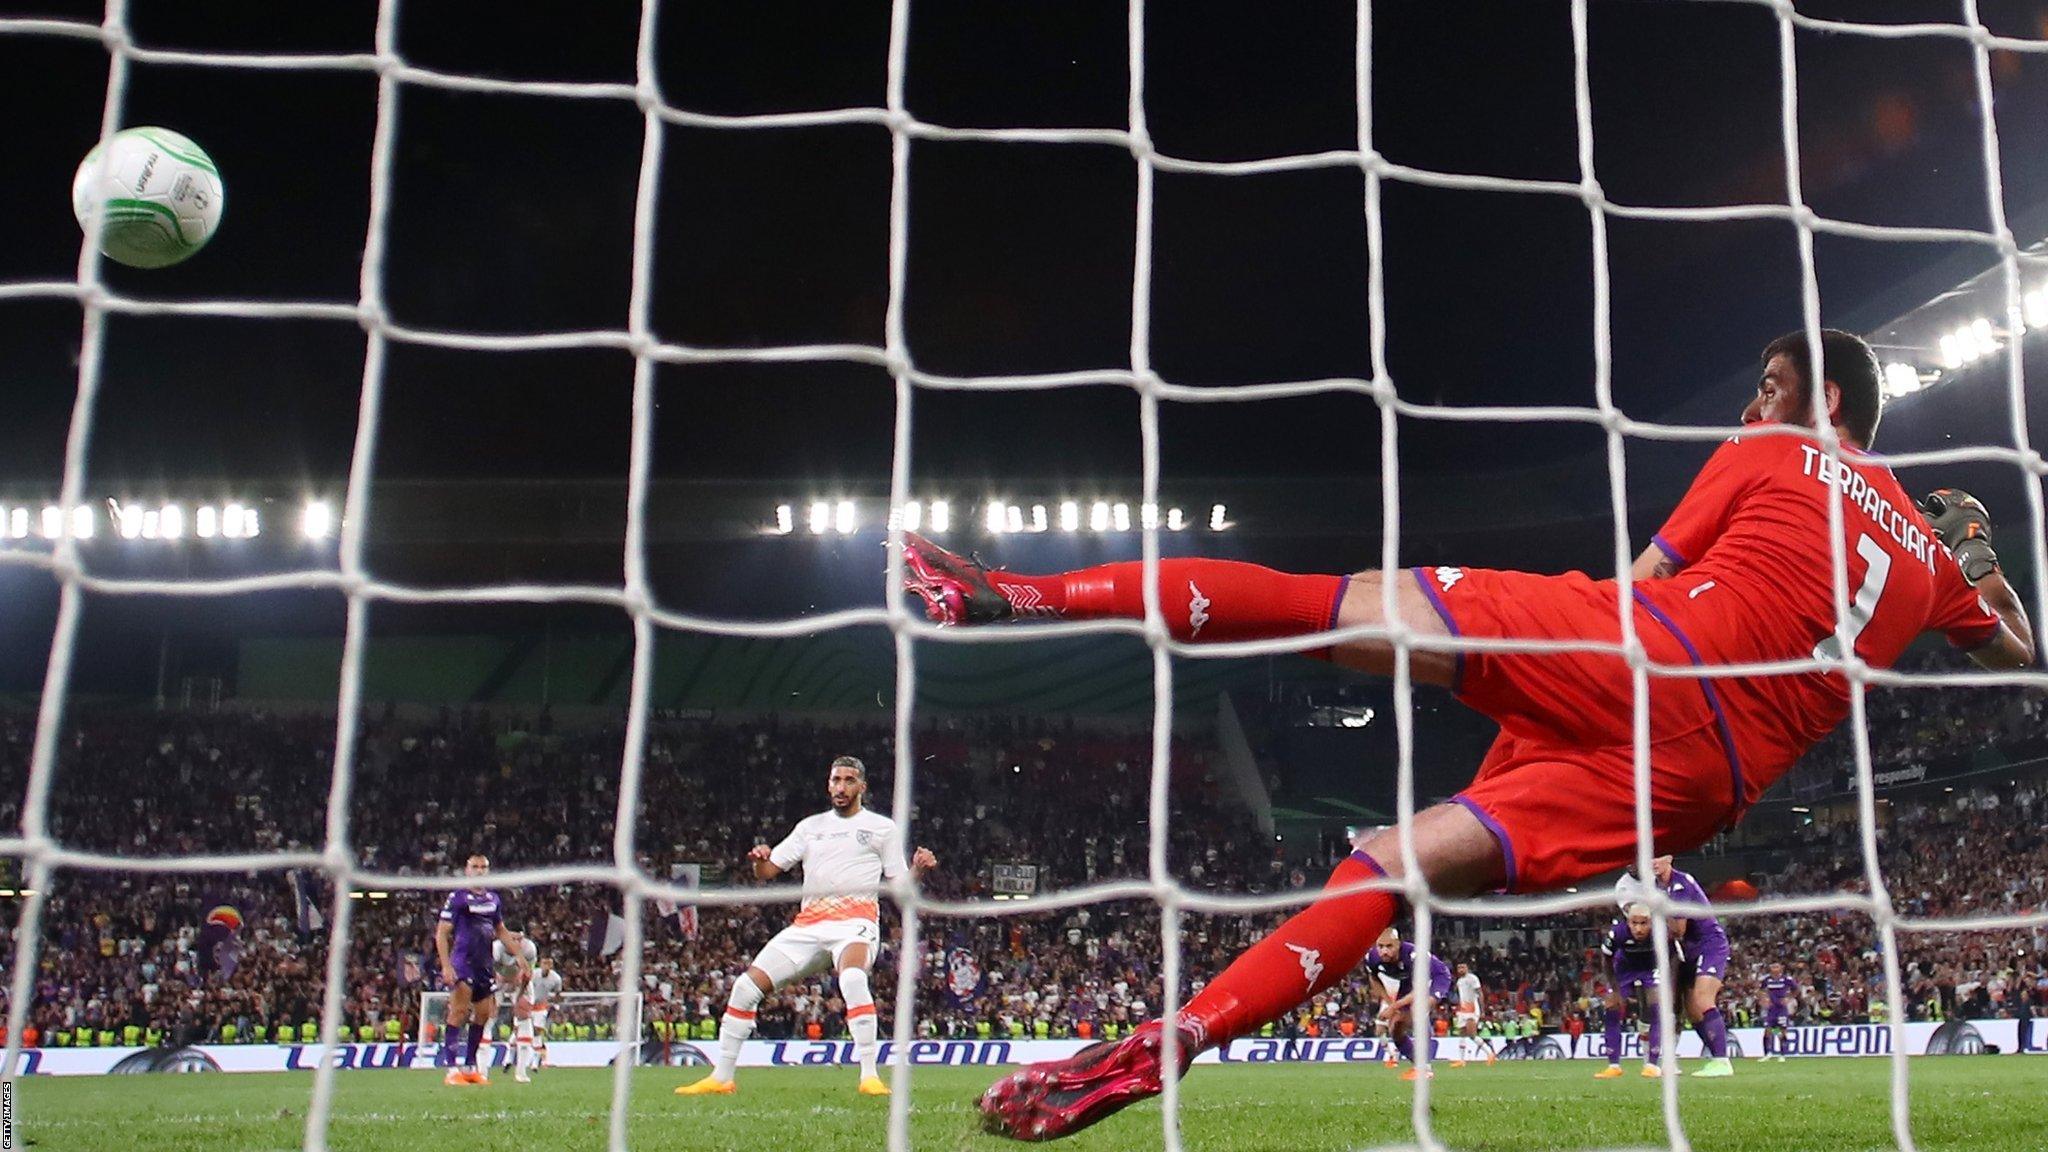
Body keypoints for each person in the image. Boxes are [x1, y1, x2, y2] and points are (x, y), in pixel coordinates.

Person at [903, 329, 2035, 1140]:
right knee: (1390, 866)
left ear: (1822, 399)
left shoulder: (1770, 456)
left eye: (1768, 384)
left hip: (1646, 655)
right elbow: (2016, 655)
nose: (1748, 405)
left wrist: (1506, 661)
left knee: (1325, 608)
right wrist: (1978, 559)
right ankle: (1166, 1047)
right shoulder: (1935, 563)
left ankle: (1016, 595)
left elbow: (1638, 581)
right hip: (1707, 783)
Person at [676, 755, 937, 1097]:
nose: (841, 787)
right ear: (828, 784)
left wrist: (918, 870)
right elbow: (768, 873)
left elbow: (900, 885)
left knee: (854, 978)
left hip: (855, 922)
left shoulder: (881, 828)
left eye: (848, 780)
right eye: (835, 780)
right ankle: (722, 1078)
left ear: (862, 786)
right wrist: (759, 860)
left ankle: (870, 1077)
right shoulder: (810, 827)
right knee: (744, 988)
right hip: (809, 924)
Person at [1621, 856, 1733, 1077]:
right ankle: (1715, 1057)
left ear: (1670, 858)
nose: (1653, 862)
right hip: (1689, 950)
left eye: (1659, 857)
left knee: (1703, 999)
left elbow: (1679, 929)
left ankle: (1722, 1061)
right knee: (1693, 1011)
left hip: (1709, 945)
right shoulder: (1655, 887)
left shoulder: (1680, 884)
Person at [436, 854, 529, 1087]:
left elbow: (500, 930)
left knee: (484, 1015)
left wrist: (519, 956)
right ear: (467, 870)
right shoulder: (458, 897)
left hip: (484, 964)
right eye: (474, 866)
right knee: (459, 1012)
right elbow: (441, 932)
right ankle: (451, 1069)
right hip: (463, 961)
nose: (479, 870)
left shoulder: (493, 899)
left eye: (483, 867)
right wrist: (446, 966)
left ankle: (469, 1067)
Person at [1597, 903, 1676, 1079]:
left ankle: (1652, 1065)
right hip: (1624, 969)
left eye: (1644, 923)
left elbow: (1673, 957)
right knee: (1611, 1007)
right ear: (1628, 921)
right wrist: (1615, 989)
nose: (1639, 928)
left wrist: (1669, 983)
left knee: (1657, 1007)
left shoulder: (1662, 933)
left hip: (1650, 968)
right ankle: (1614, 1065)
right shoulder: (1617, 933)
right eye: (1634, 923)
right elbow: (1606, 960)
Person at [1362, 928, 1452, 1081]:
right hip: (1407, 981)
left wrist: (1393, 1007)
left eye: (1389, 946)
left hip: (1436, 978)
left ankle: (1426, 1069)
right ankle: (1418, 1065)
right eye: (1380, 946)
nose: (1384, 951)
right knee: (1395, 1028)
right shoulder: (1372, 957)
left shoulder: (1413, 955)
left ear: (1399, 945)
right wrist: (1389, 1002)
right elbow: (1374, 979)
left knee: (1418, 1009)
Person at [492, 934, 538, 1083]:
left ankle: (521, 1072)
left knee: (525, 1017)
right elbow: (487, 969)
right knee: (487, 1017)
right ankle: (479, 1069)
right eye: (513, 939)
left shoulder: (529, 949)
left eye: (520, 939)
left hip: (520, 983)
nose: (517, 942)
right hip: (498, 980)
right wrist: (499, 983)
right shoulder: (496, 948)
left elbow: (527, 974)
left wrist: (519, 995)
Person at [526, 956, 564, 1074]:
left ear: (551, 966)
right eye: (544, 963)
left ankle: (535, 1063)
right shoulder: (534, 974)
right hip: (528, 1005)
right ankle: (509, 1060)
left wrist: (555, 1006)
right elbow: (525, 986)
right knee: (522, 1031)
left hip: (541, 1007)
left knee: (538, 1032)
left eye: (549, 964)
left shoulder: (556, 978)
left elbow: (558, 993)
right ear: (540, 964)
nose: (546, 966)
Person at [1450, 961, 1491, 1067]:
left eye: (1463, 967)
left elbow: (1479, 993)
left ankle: (1490, 1053)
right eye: (1459, 967)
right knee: (1462, 1033)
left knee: (1471, 1034)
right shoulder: (1459, 981)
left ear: (1467, 968)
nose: (1461, 969)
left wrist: (1482, 1010)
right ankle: (1462, 1060)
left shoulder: (1472, 978)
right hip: (1463, 1009)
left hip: (1472, 1009)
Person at [1759, 961, 1798, 1062]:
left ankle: (1782, 1054)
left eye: (1777, 967)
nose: (1775, 969)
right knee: (1768, 1031)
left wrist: (1788, 998)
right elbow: (1760, 990)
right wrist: (1764, 999)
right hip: (1771, 1009)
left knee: (1782, 1031)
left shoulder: (1786, 979)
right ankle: (1768, 1053)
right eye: (1773, 967)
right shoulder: (1767, 980)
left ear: (1781, 968)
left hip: (1781, 1009)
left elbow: (1796, 990)